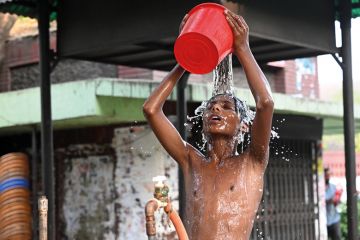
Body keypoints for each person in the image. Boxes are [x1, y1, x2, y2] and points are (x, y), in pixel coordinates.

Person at [143, 9, 274, 240]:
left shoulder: (252, 162)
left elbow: (265, 103)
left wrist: (243, 48)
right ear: (202, 122)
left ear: (244, 126)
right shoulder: (191, 161)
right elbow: (151, 109)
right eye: (211, 107)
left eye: (226, 107)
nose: (215, 109)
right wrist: (185, 59)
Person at [324, 167, 341, 240]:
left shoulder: (333, 187)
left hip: (334, 219)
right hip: (323, 220)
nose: (328, 176)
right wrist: (329, 201)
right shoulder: (319, 188)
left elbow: (337, 203)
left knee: (337, 237)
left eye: (329, 174)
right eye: (326, 175)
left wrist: (337, 201)